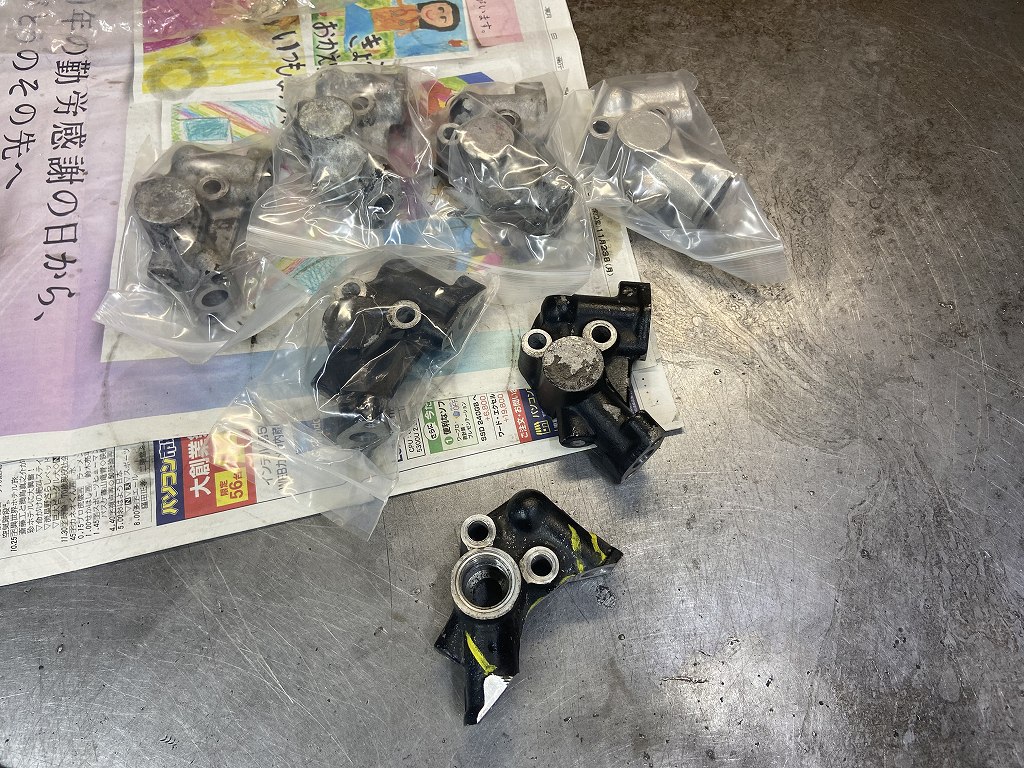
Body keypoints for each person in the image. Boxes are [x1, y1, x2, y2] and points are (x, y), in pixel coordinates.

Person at [368, 0, 461, 35]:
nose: (434, 14)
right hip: (375, 13)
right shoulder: (413, 8)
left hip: (377, 26)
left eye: (442, 18)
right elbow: (402, 6)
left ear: (437, 27)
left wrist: (405, 32)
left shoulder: (416, 24)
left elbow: (411, 28)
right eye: (440, 8)